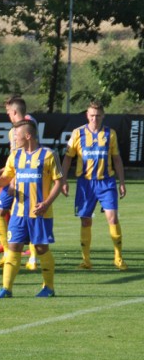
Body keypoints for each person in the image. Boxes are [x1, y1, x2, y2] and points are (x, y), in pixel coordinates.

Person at [0, 119, 63, 298]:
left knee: (42, 249)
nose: (14, 140)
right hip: (18, 213)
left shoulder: (48, 155)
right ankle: (6, 288)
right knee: (13, 248)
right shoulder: (15, 156)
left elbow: (59, 182)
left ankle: (49, 287)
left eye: (17, 136)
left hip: (40, 214)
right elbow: (6, 178)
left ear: (28, 136)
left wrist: (47, 203)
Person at [61, 101, 127, 271]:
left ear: (103, 115)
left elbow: (117, 159)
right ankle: (86, 260)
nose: (94, 119)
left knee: (112, 218)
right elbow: (68, 158)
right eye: (92, 115)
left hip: (107, 182)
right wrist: (63, 180)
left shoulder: (110, 134)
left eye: (98, 115)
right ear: (87, 116)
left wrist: (122, 182)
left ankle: (118, 257)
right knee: (85, 220)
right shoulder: (78, 133)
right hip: (85, 184)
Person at [0, 96, 39, 271]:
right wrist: (2, 172)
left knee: (28, 215)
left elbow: (28, 155)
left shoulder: (26, 126)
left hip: (22, 180)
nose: (8, 115)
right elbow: (15, 158)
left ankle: (32, 257)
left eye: (9, 112)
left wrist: (14, 180)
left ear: (15, 111)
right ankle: (8, 254)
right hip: (13, 176)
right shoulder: (18, 128)